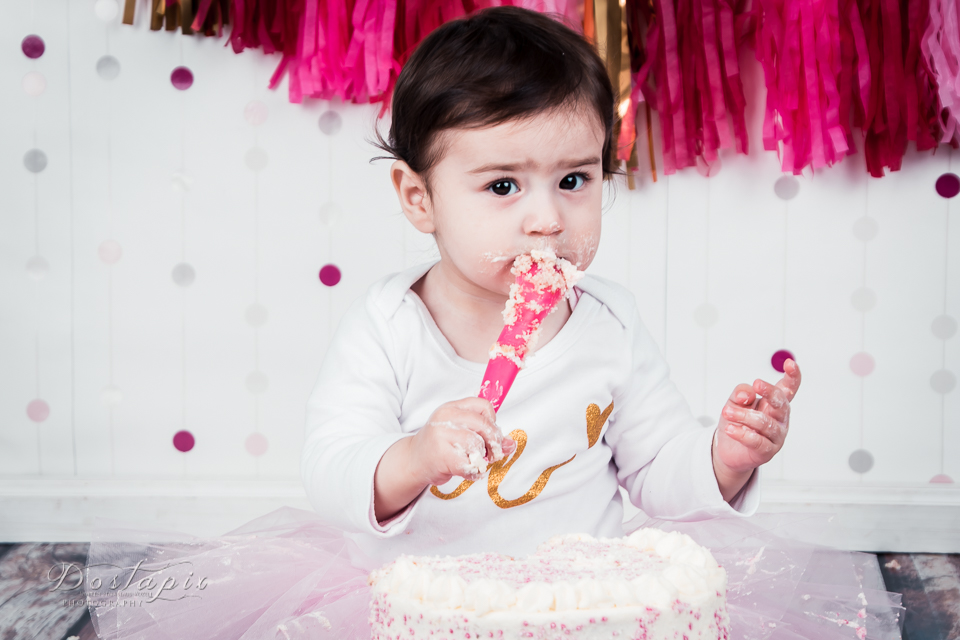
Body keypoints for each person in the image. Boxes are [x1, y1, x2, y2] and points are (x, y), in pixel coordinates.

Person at [85, 7, 901, 640]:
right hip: (416, 602)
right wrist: (414, 456)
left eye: (575, 179)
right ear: (418, 199)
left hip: (584, 604)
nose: (547, 219)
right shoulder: (389, 326)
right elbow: (333, 471)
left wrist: (723, 456)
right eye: (504, 187)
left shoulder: (609, 323)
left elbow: (657, 471)